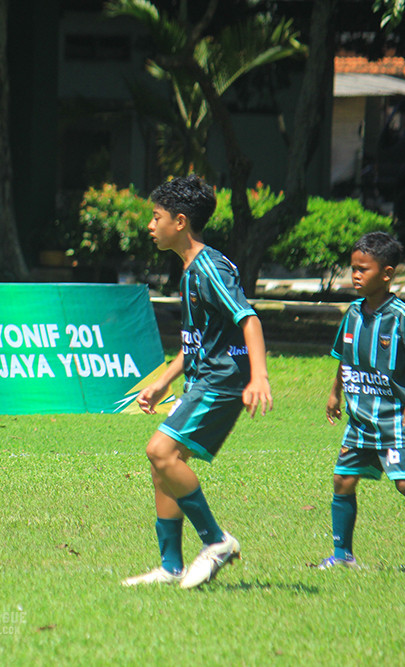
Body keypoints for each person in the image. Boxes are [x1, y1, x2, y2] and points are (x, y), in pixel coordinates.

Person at [124, 174, 272, 589]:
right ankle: (170, 567)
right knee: (164, 468)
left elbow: (249, 318)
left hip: (222, 384)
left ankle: (217, 541)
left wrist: (258, 376)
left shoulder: (209, 268)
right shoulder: (190, 269)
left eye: (156, 218)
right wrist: (163, 381)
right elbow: (196, 343)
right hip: (201, 380)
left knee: (160, 451)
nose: (150, 226)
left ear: (181, 221)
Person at [320, 231, 405, 576]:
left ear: (386, 273)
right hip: (360, 419)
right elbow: (344, 357)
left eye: (363, 269)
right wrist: (334, 392)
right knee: (343, 479)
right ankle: (342, 554)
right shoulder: (353, 313)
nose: (355, 275)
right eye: (352, 268)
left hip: (396, 419)